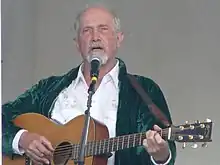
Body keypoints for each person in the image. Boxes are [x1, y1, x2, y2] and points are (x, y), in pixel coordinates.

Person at [2, 3, 176, 165]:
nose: (95, 37)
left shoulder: (143, 90)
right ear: (77, 44)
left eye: (103, 29)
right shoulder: (49, 89)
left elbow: (167, 151)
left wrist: (160, 154)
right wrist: (22, 139)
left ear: (118, 39)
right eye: (87, 30)